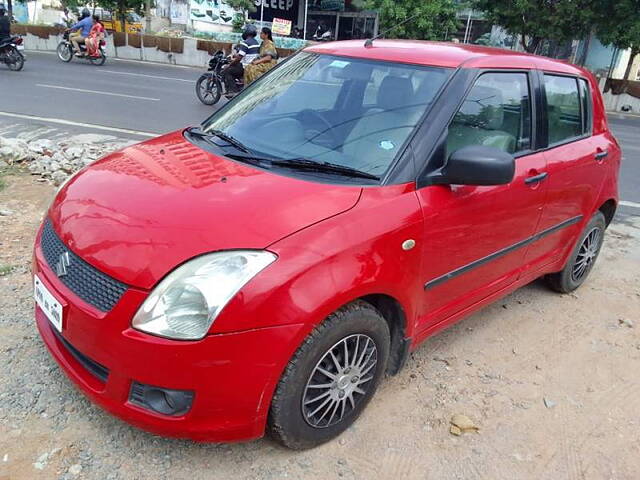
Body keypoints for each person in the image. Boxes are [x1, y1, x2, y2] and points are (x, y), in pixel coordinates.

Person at [222, 24, 259, 98]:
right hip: (253, 65)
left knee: (227, 71)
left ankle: (233, 91)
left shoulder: (246, 42)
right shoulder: (256, 42)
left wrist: (230, 65)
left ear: (247, 32)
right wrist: (236, 56)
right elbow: (245, 54)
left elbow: (239, 58)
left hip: (246, 66)